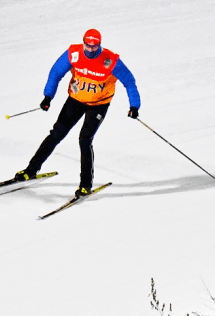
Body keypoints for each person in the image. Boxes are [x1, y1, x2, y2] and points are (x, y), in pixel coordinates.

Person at [14, 28, 141, 198]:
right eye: (87, 46)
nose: (90, 50)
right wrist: (48, 96)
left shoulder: (110, 60)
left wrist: (134, 106)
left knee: (84, 139)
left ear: (99, 45)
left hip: (98, 105)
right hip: (76, 100)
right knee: (56, 134)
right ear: (83, 43)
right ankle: (31, 170)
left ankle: (85, 185)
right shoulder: (73, 53)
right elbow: (56, 73)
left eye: (94, 47)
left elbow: (129, 82)